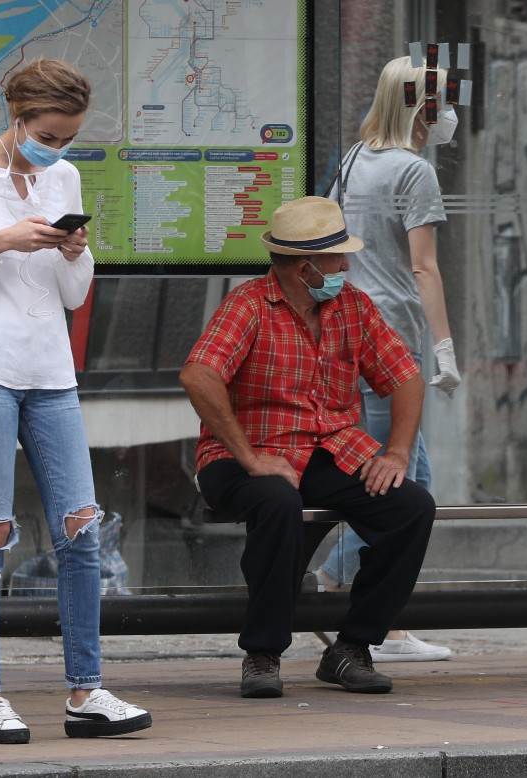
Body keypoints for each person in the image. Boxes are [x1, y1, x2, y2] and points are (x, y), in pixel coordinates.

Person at [0, 58, 151, 744]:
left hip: (51, 371)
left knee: (82, 526)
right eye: (50, 134)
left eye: (69, 137)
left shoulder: (64, 177)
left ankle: (86, 690)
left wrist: (74, 251)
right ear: (17, 118)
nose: (58, 148)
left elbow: (72, 295)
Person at [181, 195, 436, 699]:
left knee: (411, 507)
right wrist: (250, 456)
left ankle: (352, 648)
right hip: (242, 456)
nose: (346, 265)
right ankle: (263, 653)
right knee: (278, 503)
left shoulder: (354, 306)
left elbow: (406, 377)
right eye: (337, 257)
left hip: (331, 450)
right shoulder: (249, 304)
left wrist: (397, 453)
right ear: (306, 267)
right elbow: (198, 375)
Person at [316, 55, 460, 662]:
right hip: (394, 338)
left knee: (407, 474)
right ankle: (338, 581)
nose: (449, 113)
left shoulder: (354, 159)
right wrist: (445, 348)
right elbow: (423, 266)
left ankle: (382, 618)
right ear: (419, 107)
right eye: (441, 101)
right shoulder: (413, 169)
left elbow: (327, 236)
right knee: (394, 480)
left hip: (350, 328)